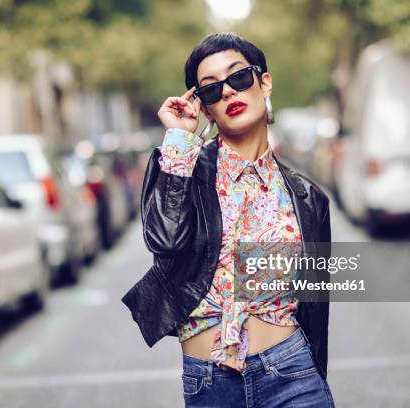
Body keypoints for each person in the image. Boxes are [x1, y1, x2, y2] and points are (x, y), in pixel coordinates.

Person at [122, 32, 334, 407]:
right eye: (211, 89)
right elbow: (163, 241)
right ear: (204, 107)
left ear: (263, 82)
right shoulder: (183, 170)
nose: (228, 93)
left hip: (292, 373)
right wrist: (177, 138)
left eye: (238, 78)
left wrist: (316, 371)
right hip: (210, 383)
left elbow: (316, 306)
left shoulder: (308, 198)